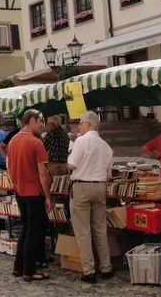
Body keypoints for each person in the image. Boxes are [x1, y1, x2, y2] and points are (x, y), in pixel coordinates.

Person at [68, 111, 114, 284]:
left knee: (83, 230)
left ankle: (89, 271)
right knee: (100, 229)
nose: (79, 126)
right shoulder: (106, 146)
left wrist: (67, 157)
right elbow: (108, 175)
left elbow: (72, 165)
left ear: (88, 124)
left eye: (80, 123)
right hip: (100, 187)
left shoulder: (82, 141)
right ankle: (106, 267)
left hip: (82, 186)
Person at [7, 109, 51, 282]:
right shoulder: (36, 142)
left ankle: (19, 267)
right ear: (31, 120)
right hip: (34, 191)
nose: (42, 124)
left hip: (19, 190)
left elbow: (9, 167)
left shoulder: (13, 141)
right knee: (34, 231)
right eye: (40, 120)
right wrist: (47, 196)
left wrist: (16, 184)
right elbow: (43, 173)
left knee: (26, 228)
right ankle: (30, 270)